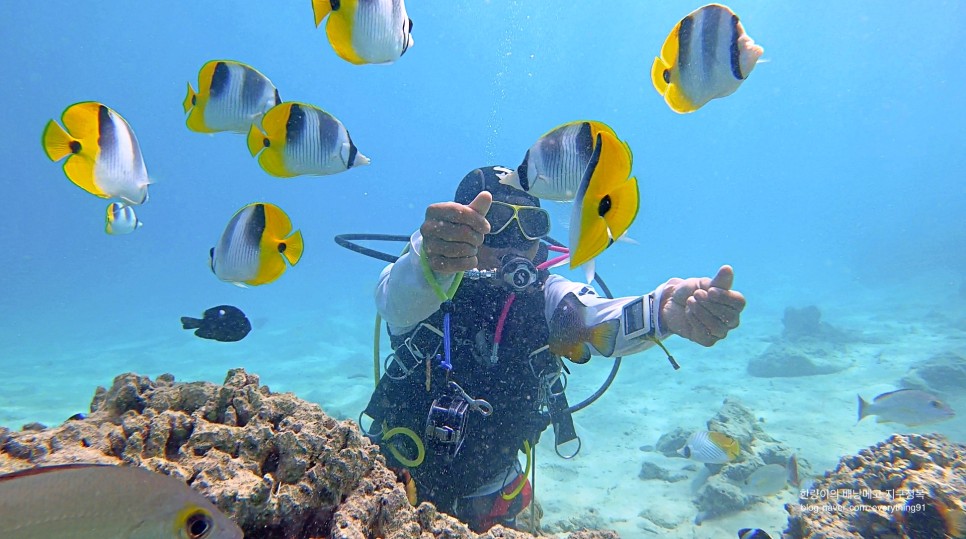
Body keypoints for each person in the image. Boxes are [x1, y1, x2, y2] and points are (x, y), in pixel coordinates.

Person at [362, 166, 746, 531]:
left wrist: (661, 314)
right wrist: (429, 260)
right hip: (391, 481)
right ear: (462, 229)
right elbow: (397, 298)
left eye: (530, 225)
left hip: (493, 496)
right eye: (494, 224)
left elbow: (596, 318)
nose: (514, 242)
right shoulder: (422, 281)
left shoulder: (548, 294)